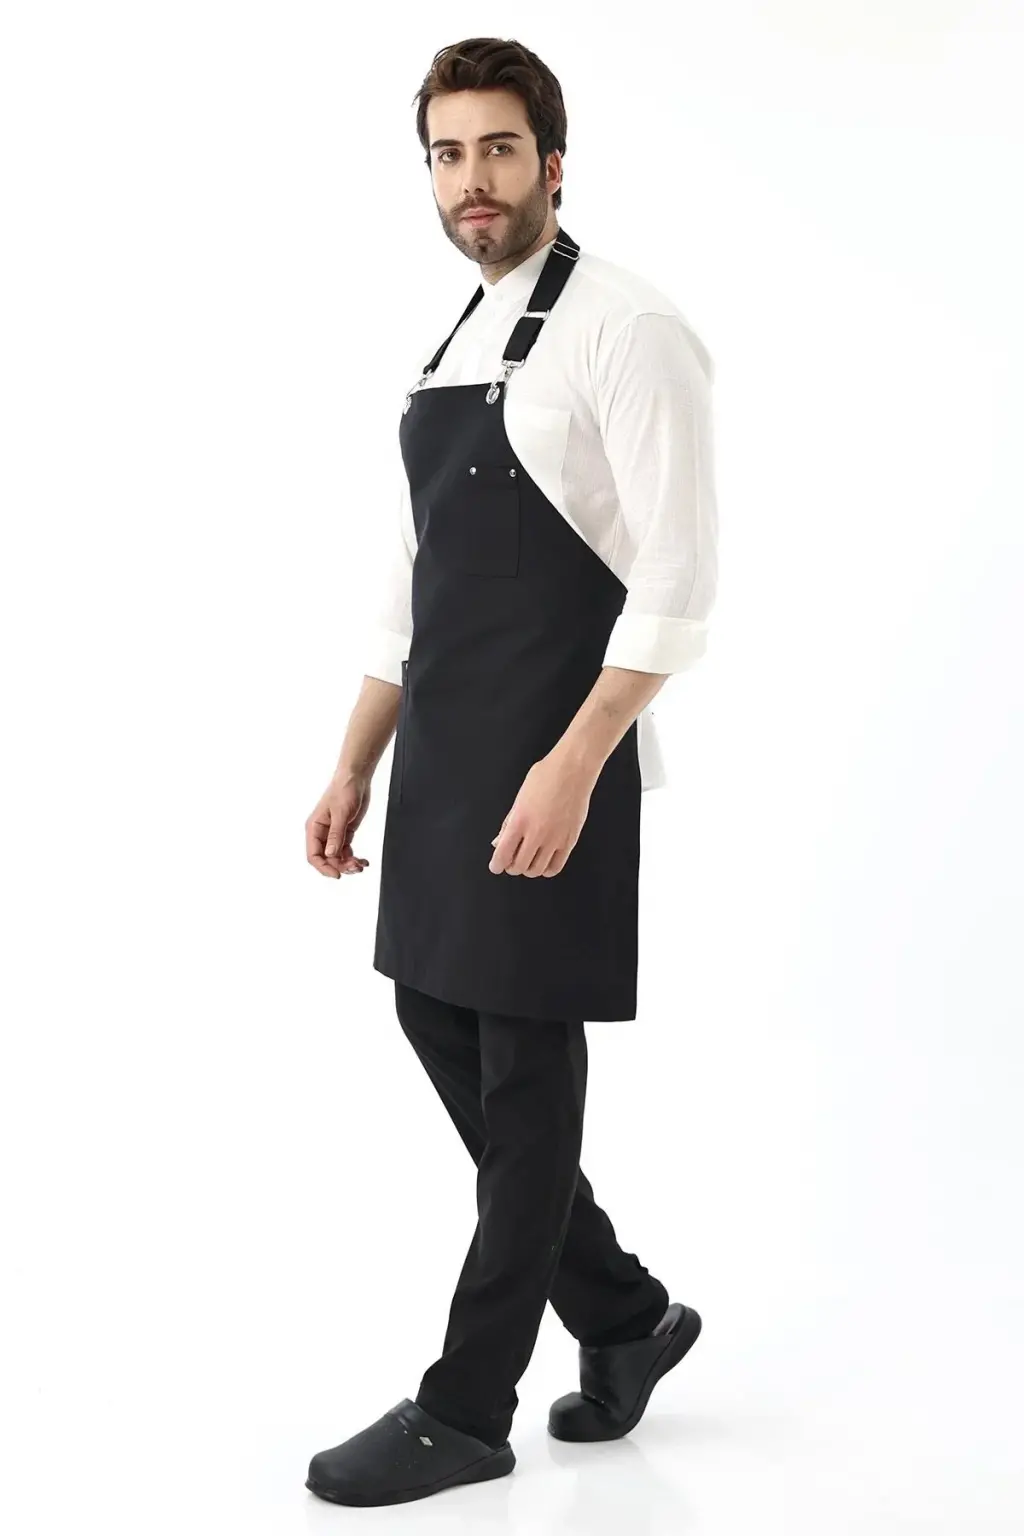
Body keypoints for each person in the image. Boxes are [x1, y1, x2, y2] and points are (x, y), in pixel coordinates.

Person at [303, 35, 717, 1508]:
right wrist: (354, 763)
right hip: (445, 760)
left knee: (528, 1069)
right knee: (434, 1012)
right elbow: (410, 591)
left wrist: (577, 764)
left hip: (557, 755)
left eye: (496, 149)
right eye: (447, 153)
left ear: (552, 160)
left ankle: (468, 1407)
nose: (471, 179)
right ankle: (624, 1313)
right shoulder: (449, 347)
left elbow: (677, 581)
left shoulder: (629, 328)